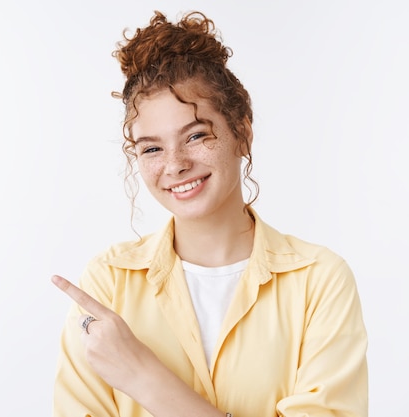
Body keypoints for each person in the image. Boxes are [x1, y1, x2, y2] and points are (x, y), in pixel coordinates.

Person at [51, 10, 368, 417]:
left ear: (243, 132)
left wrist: (145, 378)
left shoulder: (319, 280)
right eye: (151, 148)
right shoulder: (108, 284)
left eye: (196, 135)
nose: (175, 164)